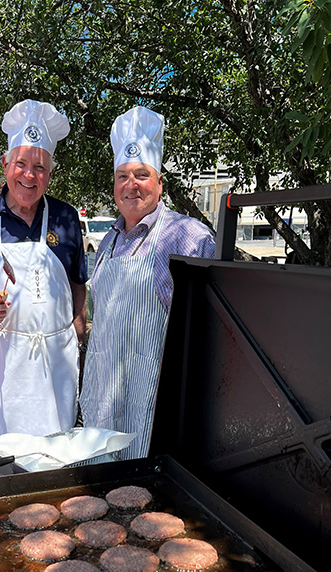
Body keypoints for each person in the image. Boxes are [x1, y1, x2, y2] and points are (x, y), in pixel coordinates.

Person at [80, 106, 216, 459]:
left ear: (159, 183)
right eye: (122, 175)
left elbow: (209, 338)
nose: (131, 185)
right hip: (104, 403)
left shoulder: (186, 237)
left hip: (152, 408)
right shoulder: (108, 241)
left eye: (142, 174)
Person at [0, 99, 87, 462]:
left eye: (39, 167)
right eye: (22, 164)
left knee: (53, 461)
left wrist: (78, 325)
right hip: (5, 361)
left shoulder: (65, 218)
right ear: (5, 165)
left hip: (54, 363)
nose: (29, 176)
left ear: (50, 172)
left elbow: (78, 281)